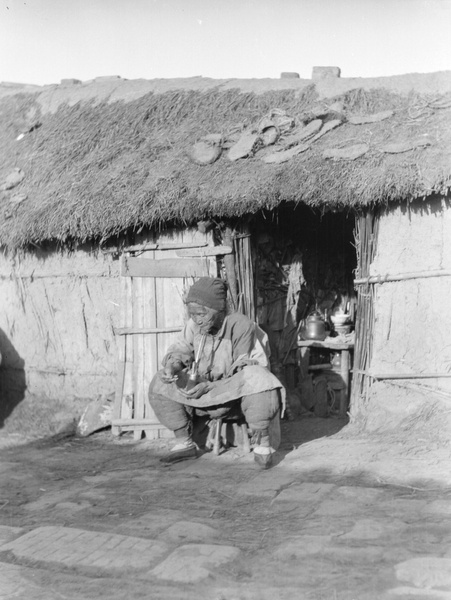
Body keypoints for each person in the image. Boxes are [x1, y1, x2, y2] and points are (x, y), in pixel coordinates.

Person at [148, 277, 285, 468]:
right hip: (202, 393)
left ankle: (262, 446)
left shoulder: (242, 326)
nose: (197, 318)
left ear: (219, 308)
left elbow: (252, 370)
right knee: (159, 382)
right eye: (192, 314)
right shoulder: (194, 325)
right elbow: (181, 349)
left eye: (202, 313)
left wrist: (212, 385)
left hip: (234, 396)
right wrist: (172, 367)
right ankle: (184, 443)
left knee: (260, 379)